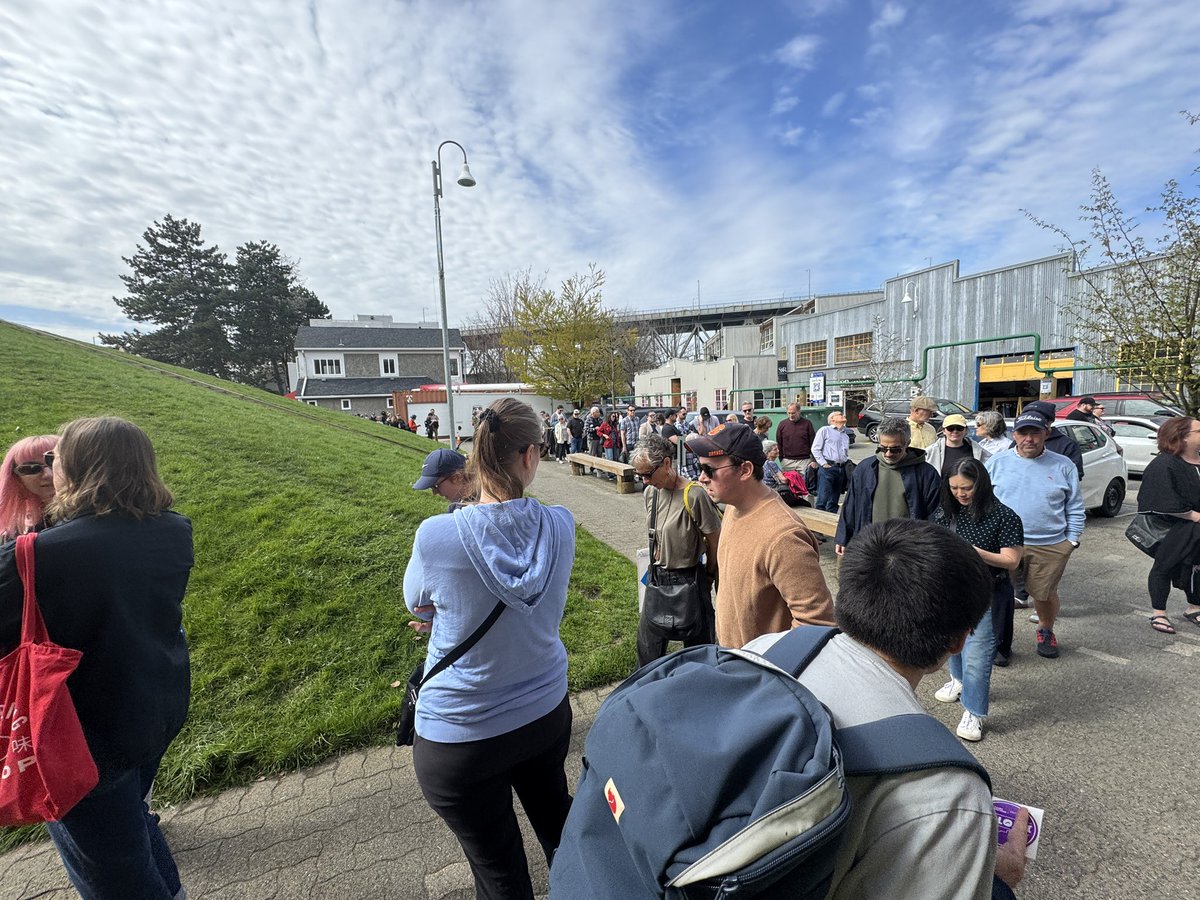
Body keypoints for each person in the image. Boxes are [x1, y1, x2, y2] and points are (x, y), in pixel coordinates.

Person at [743, 519, 1014, 900]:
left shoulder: (761, 651)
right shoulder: (948, 794)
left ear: (847, 596)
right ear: (958, 640)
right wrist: (998, 878)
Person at [0, 417, 192, 899]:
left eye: (53, 460)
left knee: (112, 877)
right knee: (135, 826)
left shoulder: (37, 557)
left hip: (78, 732)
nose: (48, 470)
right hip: (154, 704)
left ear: (80, 467)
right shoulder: (172, 529)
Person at [404, 398, 574, 900]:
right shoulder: (561, 525)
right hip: (543, 713)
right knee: (562, 832)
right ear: (529, 455)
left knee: (500, 875)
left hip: (460, 739)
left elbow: (419, 605)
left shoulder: (437, 536)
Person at [692, 423, 834, 647]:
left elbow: (816, 623)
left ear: (745, 470)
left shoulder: (784, 537)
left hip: (759, 674)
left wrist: (765, 670)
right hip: (733, 662)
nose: (701, 478)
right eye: (698, 467)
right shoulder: (732, 507)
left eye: (710, 470)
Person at [932, 459, 1024, 740]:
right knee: (953, 644)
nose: (961, 494)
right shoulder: (946, 511)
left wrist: (972, 551)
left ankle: (974, 711)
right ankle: (957, 681)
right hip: (951, 590)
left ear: (981, 484)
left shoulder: (1004, 516)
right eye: (955, 488)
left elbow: (1012, 561)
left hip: (986, 591)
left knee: (978, 654)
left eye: (967, 488)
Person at [986, 411, 1084, 660]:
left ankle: (1046, 630)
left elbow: (1074, 505)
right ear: (1014, 434)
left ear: (1046, 434)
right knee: (999, 595)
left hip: (1049, 544)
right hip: (1004, 543)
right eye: (1023, 432)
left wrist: (1071, 540)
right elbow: (983, 501)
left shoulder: (1063, 464)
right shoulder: (997, 462)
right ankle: (999, 642)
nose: (1029, 438)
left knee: (1043, 594)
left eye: (1035, 432)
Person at [630, 434, 722, 667]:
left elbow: (715, 540)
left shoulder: (694, 494)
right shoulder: (650, 492)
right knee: (647, 654)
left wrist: (710, 575)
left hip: (690, 581)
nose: (645, 480)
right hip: (658, 580)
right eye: (640, 475)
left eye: (648, 474)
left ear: (667, 464)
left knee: (700, 656)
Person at [835, 418, 941, 557]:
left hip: (909, 548)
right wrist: (843, 537)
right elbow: (851, 505)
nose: (888, 454)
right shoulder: (865, 469)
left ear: (907, 443)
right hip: (869, 544)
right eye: (883, 448)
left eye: (895, 449)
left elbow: (934, 514)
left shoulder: (926, 473)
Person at [1135, 416, 1200, 634]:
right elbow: (1158, 498)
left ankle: (1194, 606)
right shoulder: (1165, 463)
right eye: (1198, 431)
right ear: (1182, 437)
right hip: (1174, 528)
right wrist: (1192, 516)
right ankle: (1159, 613)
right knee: (1164, 567)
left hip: (1196, 528)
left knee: (1196, 567)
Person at [0, 434, 59, 540]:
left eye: (54, 462)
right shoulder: (15, 530)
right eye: (31, 468)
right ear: (17, 479)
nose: (48, 474)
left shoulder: (93, 513)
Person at [811, 411, 851, 513]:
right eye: (840, 414)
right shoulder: (825, 430)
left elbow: (844, 453)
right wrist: (823, 463)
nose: (844, 416)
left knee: (834, 500)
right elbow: (815, 448)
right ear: (832, 419)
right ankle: (818, 524)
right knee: (823, 499)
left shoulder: (845, 435)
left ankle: (831, 523)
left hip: (841, 468)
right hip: (828, 467)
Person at [925, 413, 991, 475]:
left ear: (966, 430)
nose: (955, 431)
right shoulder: (930, 452)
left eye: (959, 428)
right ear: (944, 431)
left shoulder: (978, 451)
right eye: (950, 428)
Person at [775, 403, 817, 473]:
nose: (791, 415)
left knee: (804, 483)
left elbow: (813, 442)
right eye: (789, 413)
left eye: (793, 413)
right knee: (788, 483)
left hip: (804, 461)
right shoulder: (782, 424)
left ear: (799, 411)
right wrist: (781, 459)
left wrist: (813, 460)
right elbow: (779, 442)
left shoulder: (807, 424)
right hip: (787, 461)